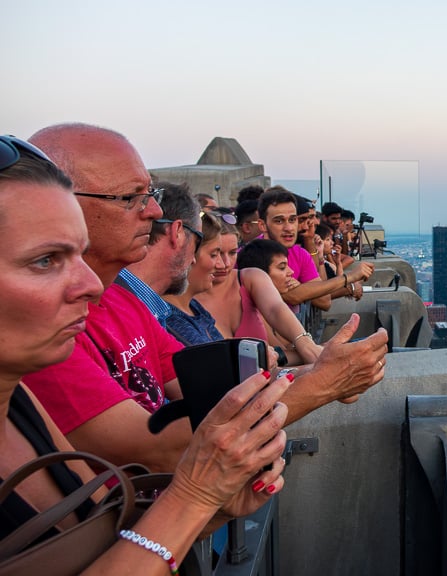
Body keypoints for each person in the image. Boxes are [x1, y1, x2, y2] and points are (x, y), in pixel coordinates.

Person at [21, 123, 388, 475]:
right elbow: (155, 446)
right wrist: (321, 384)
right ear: (61, 205)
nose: (153, 211)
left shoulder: (124, 301)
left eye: (149, 196)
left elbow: (215, 389)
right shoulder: (42, 328)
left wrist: (323, 371)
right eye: (132, 197)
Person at [0, 135, 288, 575]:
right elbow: (152, 450)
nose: (91, 284)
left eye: (76, 253)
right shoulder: (39, 372)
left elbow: (115, 535)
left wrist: (214, 505)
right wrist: (196, 495)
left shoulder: (19, 403)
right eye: (45, 261)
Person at [193, 222, 322, 365]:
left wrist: (306, 344)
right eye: (215, 254)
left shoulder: (249, 278)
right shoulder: (183, 301)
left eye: (232, 253)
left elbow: (275, 309)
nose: (225, 263)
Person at [257, 187, 372, 311]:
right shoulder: (255, 254)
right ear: (262, 225)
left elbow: (324, 301)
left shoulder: (299, 253)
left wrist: (302, 287)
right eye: (279, 221)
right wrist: (349, 278)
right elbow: (291, 296)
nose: (289, 228)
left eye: (292, 220)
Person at [120, 181, 203, 326]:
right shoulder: (120, 309)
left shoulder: (150, 308)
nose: (194, 260)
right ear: (177, 233)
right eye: (198, 242)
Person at [161, 211, 225, 345]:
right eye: (213, 255)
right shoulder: (167, 319)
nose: (222, 264)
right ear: (190, 252)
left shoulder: (194, 308)